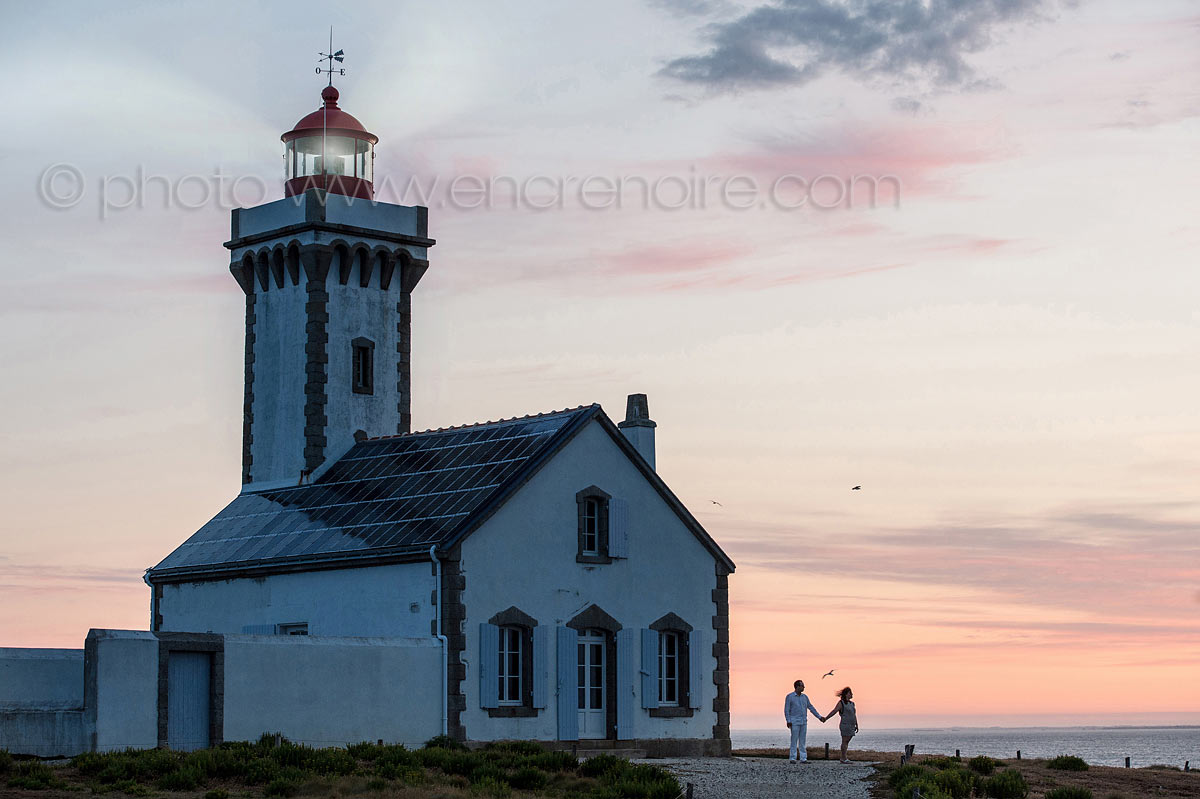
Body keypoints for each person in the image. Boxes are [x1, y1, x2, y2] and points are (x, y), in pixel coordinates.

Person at [783, 679, 825, 762]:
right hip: (794, 721)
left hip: (803, 721)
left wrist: (819, 717)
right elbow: (787, 709)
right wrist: (788, 720)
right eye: (802, 686)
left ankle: (803, 758)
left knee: (802, 740)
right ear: (797, 686)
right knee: (794, 740)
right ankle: (792, 757)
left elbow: (811, 707)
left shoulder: (805, 697)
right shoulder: (790, 696)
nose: (804, 687)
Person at [825, 686, 859, 763]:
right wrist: (826, 718)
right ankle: (843, 757)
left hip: (851, 725)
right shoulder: (841, 703)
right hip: (845, 724)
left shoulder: (852, 704)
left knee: (847, 741)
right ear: (846, 694)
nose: (851, 694)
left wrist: (856, 724)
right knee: (845, 741)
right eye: (850, 693)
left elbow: (854, 714)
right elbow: (834, 711)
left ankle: (843, 757)